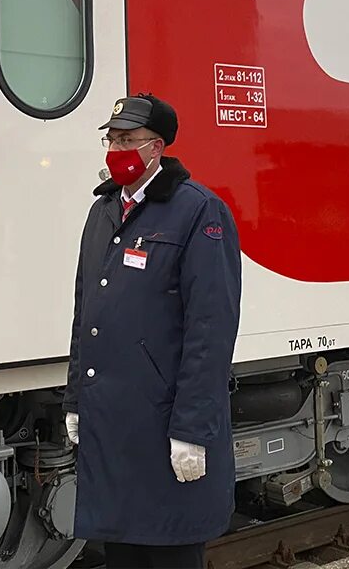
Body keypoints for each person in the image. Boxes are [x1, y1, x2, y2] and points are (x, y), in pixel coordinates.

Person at [64, 93, 242, 569]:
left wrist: (193, 430)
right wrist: (75, 399)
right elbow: (87, 315)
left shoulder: (198, 211)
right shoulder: (103, 212)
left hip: (164, 421)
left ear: (156, 147)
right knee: (122, 547)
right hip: (113, 423)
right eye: (112, 138)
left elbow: (211, 329)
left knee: (170, 549)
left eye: (128, 140)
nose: (116, 148)